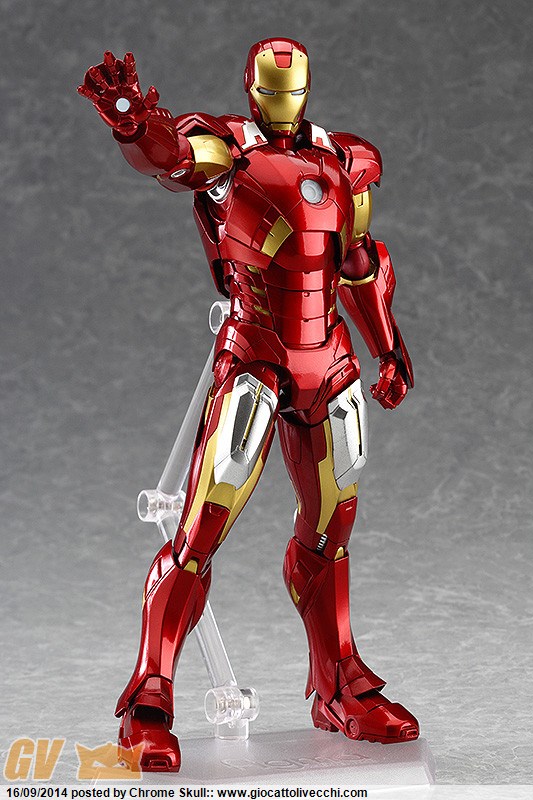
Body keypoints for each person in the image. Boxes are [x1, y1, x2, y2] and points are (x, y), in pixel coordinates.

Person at [79, 37, 418, 772]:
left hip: (328, 358)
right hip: (256, 353)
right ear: (253, 89)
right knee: (202, 526)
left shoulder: (345, 160)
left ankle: (338, 685)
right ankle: (149, 701)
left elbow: (359, 263)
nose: (282, 103)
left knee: (331, 531)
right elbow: (172, 157)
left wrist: (388, 348)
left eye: (291, 91)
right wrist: (134, 123)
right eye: (271, 90)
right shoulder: (227, 150)